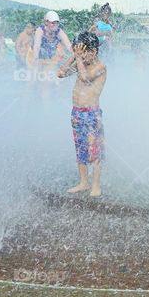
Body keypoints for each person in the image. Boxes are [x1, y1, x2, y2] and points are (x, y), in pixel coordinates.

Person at [57, 31, 107, 197]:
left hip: (92, 114)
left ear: (93, 52)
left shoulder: (100, 67)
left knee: (95, 150)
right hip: (77, 113)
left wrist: (77, 59)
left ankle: (96, 186)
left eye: (84, 52)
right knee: (81, 149)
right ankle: (84, 182)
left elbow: (86, 78)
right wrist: (73, 56)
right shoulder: (80, 64)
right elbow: (61, 73)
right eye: (80, 51)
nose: (82, 56)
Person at [31, 11, 72, 75]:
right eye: (52, 23)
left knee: (54, 66)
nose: (55, 25)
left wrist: (76, 54)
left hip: (50, 54)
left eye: (56, 23)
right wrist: (35, 58)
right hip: (39, 53)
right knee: (37, 70)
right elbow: (37, 46)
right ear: (46, 22)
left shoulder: (59, 31)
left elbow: (69, 45)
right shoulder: (40, 30)